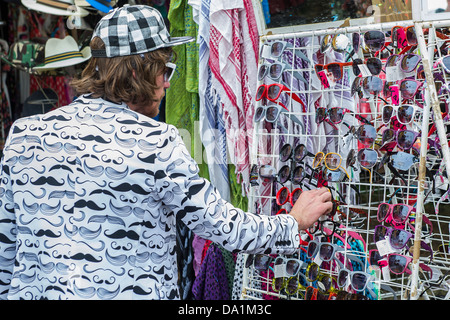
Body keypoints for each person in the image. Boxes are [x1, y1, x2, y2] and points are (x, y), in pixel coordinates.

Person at [0, 5, 332, 300]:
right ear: (136, 72)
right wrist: (293, 221)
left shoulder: (23, 135)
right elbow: (223, 227)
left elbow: (5, 248)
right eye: (165, 70)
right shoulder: (155, 142)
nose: (168, 84)